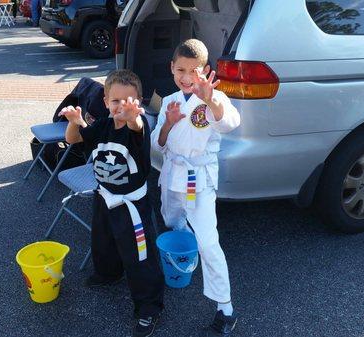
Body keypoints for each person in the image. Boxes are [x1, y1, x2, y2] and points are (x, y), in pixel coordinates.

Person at [59, 70, 164, 337]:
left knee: (140, 256)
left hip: (132, 206)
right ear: (105, 102)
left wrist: (134, 118)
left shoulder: (139, 128)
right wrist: (75, 121)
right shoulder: (102, 126)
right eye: (116, 101)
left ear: (138, 102)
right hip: (105, 197)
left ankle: (149, 306)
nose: (122, 107)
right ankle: (108, 273)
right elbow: (74, 138)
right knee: (104, 241)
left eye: (129, 101)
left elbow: (136, 126)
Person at [150, 39, 241, 336]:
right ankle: (178, 265)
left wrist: (211, 99)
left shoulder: (215, 98)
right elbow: (157, 144)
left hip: (198, 181)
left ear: (205, 71)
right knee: (172, 222)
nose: (187, 77)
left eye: (194, 71)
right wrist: (167, 124)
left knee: (208, 241)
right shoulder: (168, 102)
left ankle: (225, 307)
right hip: (172, 176)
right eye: (181, 70)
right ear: (172, 68)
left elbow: (230, 123)